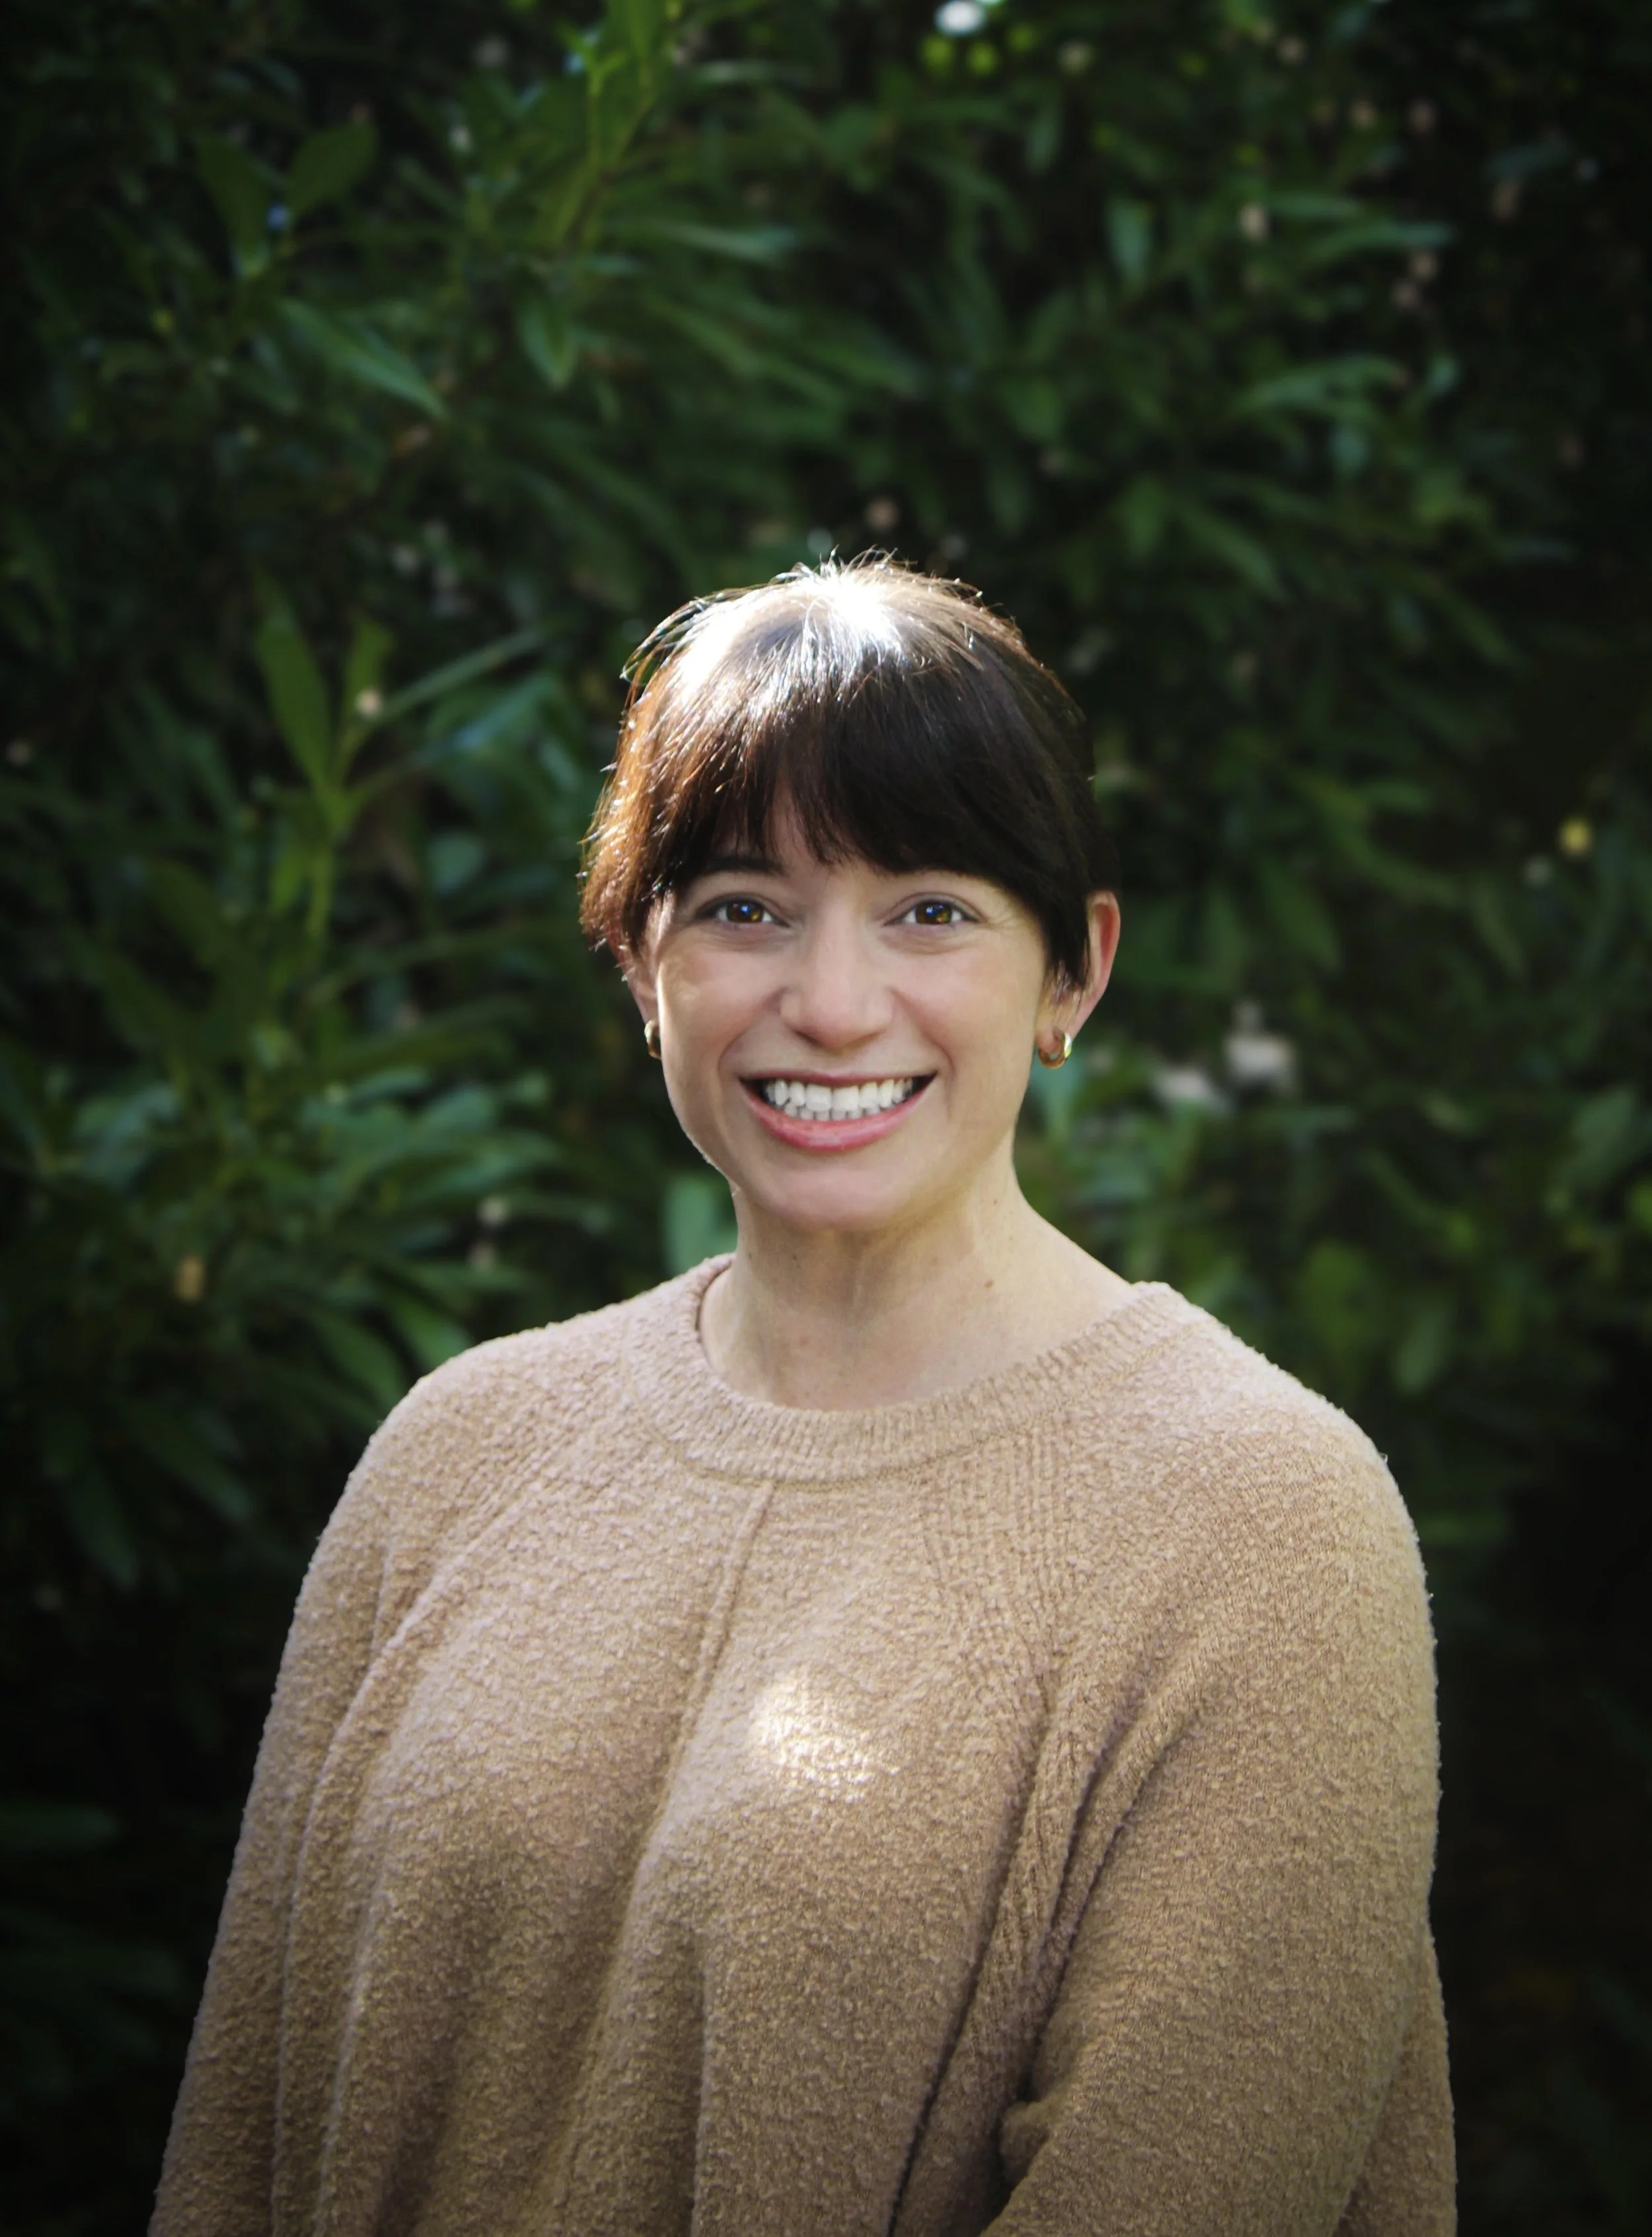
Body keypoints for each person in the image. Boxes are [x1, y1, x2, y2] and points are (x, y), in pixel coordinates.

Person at [153, 562, 1454, 2235]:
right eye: (743, 908)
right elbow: (240, 2142)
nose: (831, 1003)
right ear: (640, 961)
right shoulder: (461, 1447)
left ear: (1072, 973)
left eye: (930, 909)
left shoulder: (1260, 1520)